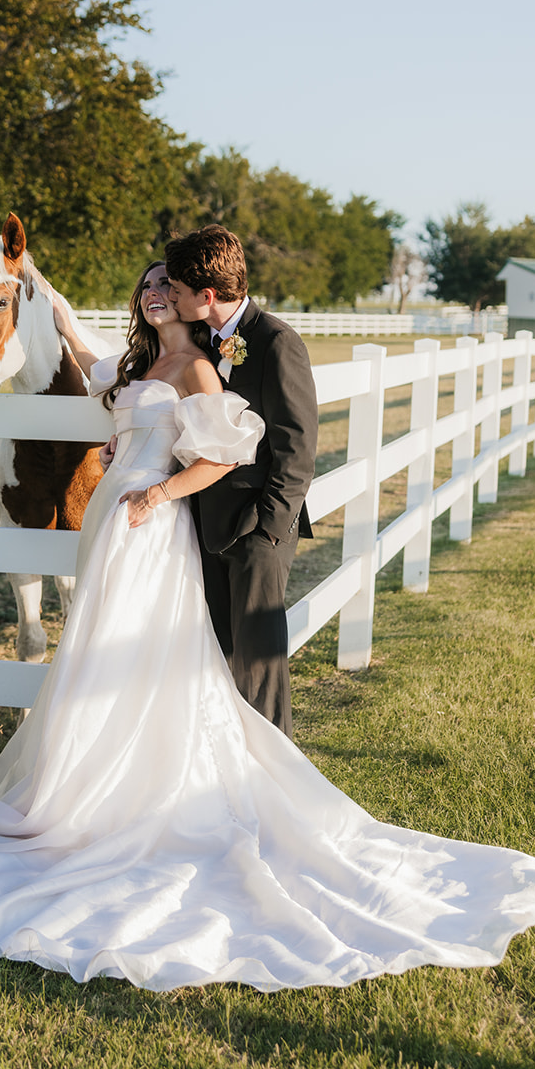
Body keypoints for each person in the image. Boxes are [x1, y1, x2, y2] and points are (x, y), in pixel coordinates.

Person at [0, 259, 535, 993]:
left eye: (169, 285)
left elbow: (226, 452)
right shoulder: (138, 360)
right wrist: (39, 291)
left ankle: (135, 797)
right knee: (94, 649)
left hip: (148, 527)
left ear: (193, 303)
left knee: (142, 654)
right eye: (147, 284)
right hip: (111, 525)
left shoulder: (197, 366)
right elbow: (73, 342)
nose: (155, 292)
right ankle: (84, 782)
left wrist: (156, 491)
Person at [165, 226, 318, 738]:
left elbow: (296, 446)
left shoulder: (275, 342)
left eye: (178, 290)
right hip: (207, 526)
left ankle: (275, 782)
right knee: (219, 660)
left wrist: (269, 531)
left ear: (206, 296)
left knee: (259, 671)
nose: (170, 296)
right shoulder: (200, 344)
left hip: (256, 529)